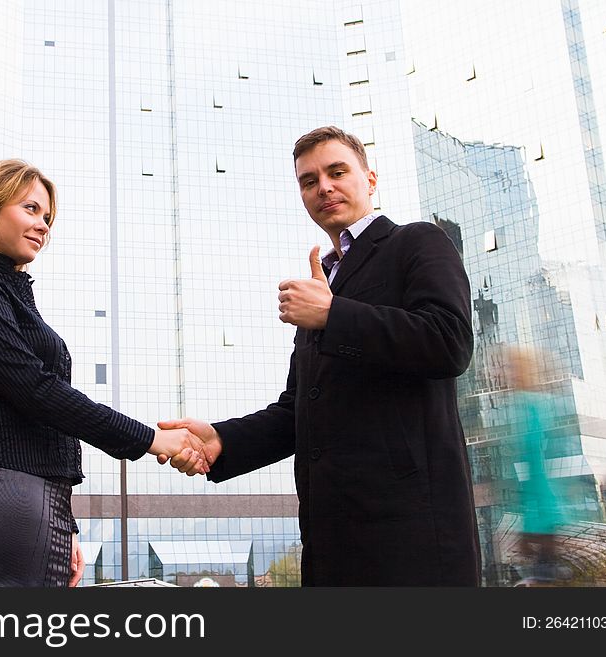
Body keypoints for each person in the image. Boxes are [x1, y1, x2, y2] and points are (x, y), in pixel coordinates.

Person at [160, 126, 481, 585]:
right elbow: (300, 409)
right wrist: (222, 441)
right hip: (331, 536)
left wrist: (334, 314)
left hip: (411, 531)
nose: (323, 187)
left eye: (337, 172)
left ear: (369, 180)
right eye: (309, 181)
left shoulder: (417, 243)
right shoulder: (324, 286)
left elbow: (449, 342)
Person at [0, 159, 206, 587]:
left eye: (47, 217)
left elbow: (38, 415)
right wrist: (149, 438)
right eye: (30, 209)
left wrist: (63, 522)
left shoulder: (8, 291)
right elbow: (35, 390)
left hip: (30, 497)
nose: (43, 225)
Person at [503, 345, 571, 586]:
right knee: (543, 575)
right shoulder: (530, 404)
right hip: (545, 510)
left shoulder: (532, 406)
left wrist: (531, 524)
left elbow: (537, 467)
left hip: (545, 510)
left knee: (543, 578)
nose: (508, 373)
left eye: (512, 367)